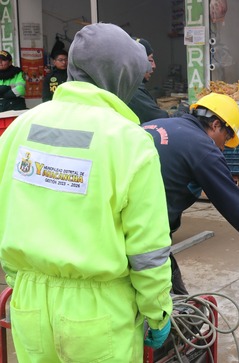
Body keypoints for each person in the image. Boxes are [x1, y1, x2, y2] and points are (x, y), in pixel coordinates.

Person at [0, 23, 173, 362]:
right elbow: (147, 247)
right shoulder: (129, 141)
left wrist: (19, 278)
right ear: (122, 77)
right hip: (98, 315)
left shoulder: (20, 128)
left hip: (29, 305)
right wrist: (157, 311)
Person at [141, 92, 239, 281]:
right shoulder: (202, 147)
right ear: (215, 125)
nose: (223, 147)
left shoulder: (156, 125)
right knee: (160, 298)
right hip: (142, 230)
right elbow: (234, 204)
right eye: (227, 139)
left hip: (111, 215)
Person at [128, 37, 169, 123]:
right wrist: (182, 111)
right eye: (150, 60)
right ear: (137, 61)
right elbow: (161, 120)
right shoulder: (132, 91)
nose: (154, 66)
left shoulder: (128, 86)